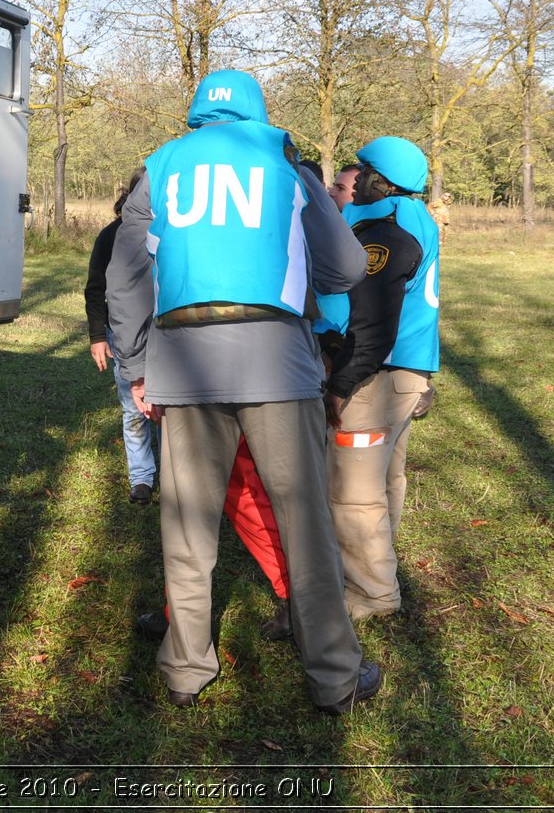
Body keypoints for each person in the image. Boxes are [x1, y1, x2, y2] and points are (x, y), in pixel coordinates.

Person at [106, 69, 380, 714]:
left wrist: (137, 365)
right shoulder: (285, 160)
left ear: (198, 113)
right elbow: (343, 269)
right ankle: (335, 677)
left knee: (187, 522)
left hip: (182, 361)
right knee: (304, 521)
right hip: (277, 363)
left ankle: (185, 668)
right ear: (258, 112)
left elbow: (126, 275)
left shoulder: (161, 166)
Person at [317, 137, 440, 621]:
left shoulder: (388, 232)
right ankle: (380, 570)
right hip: (404, 374)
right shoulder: (410, 220)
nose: (355, 178)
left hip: (379, 376)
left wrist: (341, 384)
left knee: (354, 491)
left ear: (381, 182)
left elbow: (372, 323)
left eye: (363, 171)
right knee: (388, 478)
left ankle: (371, 592)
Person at [86, 175, 160, 503]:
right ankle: (141, 478)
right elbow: (96, 289)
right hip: (124, 335)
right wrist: (98, 336)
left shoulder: (174, 233)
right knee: (134, 409)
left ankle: (174, 473)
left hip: (168, 334)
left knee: (169, 408)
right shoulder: (111, 236)